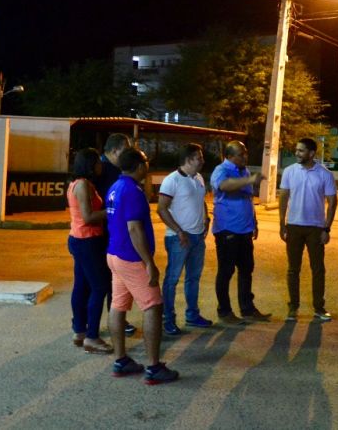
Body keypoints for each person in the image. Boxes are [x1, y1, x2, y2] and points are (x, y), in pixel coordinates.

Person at [105, 147, 179, 385]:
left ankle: (121, 360)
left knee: (118, 305)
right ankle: (154, 367)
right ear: (139, 166)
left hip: (114, 254)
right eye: (146, 161)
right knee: (153, 306)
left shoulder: (115, 187)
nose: (148, 165)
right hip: (131, 257)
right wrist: (149, 263)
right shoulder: (133, 191)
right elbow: (134, 229)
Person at [211, 140, 271, 325]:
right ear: (229, 156)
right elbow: (224, 186)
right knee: (226, 271)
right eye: (241, 154)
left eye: (246, 153)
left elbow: (247, 198)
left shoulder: (243, 171)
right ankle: (224, 311)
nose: (245, 157)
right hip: (227, 230)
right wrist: (250, 180)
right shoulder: (221, 170)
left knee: (246, 270)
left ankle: (247, 309)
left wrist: (254, 222)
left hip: (244, 230)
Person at [156, 143, 214, 335]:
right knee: (172, 280)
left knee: (193, 278)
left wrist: (206, 218)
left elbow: (200, 200)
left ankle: (192, 315)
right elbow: (161, 209)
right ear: (188, 160)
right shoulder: (171, 180)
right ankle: (168, 319)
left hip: (197, 237)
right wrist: (179, 231)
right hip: (178, 239)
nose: (202, 160)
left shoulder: (198, 178)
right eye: (199, 157)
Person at [279, 137, 337, 323]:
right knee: (293, 269)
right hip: (294, 226)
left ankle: (319, 308)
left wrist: (326, 228)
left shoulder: (325, 174)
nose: (297, 153)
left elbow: (332, 202)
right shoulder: (289, 171)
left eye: (301, 150)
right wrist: (282, 224)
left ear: (311, 153)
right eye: (296, 150)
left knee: (318, 269)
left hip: (315, 228)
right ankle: (293, 308)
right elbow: (283, 197)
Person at [66, 148, 113, 353]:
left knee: (82, 285)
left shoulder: (76, 184)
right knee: (100, 287)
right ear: (90, 164)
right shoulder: (83, 185)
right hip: (87, 240)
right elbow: (88, 217)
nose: (101, 165)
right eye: (98, 162)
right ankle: (92, 337)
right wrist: (111, 210)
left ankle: (80, 331)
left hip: (80, 239)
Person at [93, 133, 137, 337]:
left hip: (108, 232)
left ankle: (115, 320)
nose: (128, 154)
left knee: (112, 281)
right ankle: (104, 325)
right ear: (115, 150)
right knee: (104, 282)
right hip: (102, 233)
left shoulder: (110, 169)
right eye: (126, 149)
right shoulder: (103, 171)